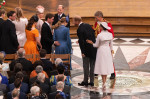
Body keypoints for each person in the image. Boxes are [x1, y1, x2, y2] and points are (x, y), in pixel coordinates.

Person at [86, 22, 114, 89]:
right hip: (107, 51)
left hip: (101, 51)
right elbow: (111, 45)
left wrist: (91, 43)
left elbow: (96, 45)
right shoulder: (110, 35)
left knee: (102, 66)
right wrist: (111, 52)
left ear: (101, 27)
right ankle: (104, 83)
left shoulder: (99, 35)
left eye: (100, 26)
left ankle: (104, 83)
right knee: (106, 66)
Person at [73, 15, 97, 87]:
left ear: (77, 21)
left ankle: (85, 81)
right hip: (93, 48)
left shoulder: (79, 29)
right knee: (92, 65)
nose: (73, 22)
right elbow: (91, 35)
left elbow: (82, 42)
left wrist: (83, 52)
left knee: (86, 65)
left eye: (73, 21)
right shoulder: (88, 25)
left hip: (86, 50)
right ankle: (92, 81)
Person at [94, 11, 116, 79]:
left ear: (99, 17)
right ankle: (97, 72)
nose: (95, 19)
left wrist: (104, 38)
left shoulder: (107, 23)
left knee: (109, 59)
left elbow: (112, 34)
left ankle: (112, 73)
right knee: (98, 58)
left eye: (96, 17)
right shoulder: (96, 23)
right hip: (98, 43)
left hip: (105, 44)